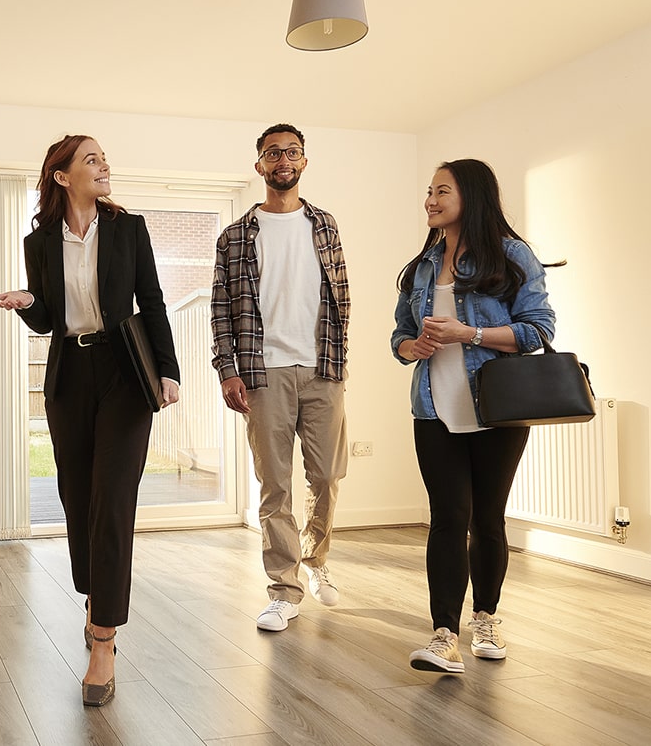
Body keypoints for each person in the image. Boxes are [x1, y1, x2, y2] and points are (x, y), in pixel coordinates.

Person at [0, 134, 180, 706]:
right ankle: (95, 599)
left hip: (126, 372)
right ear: (62, 176)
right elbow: (49, 319)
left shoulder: (129, 228)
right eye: (91, 159)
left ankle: (104, 640)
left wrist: (167, 370)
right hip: (71, 376)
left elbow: (153, 301)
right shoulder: (40, 241)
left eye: (103, 158)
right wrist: (29, 304)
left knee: (113, 499)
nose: (104, 166)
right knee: (77, 497)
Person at [392, 159, 557, 673]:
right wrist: (412, 345)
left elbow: (539, 329)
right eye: (429, 190)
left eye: (442, 191)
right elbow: (398, 337)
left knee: (487, 519)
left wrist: (471, 334)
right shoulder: (422, 266)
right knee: (448, 519)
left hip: (497, 408)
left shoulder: (511, 255)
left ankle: (485, 618)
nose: (431, 200)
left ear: (473, 196)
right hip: (433, 409)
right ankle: (444, 634)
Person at [210, 123, 351, 632]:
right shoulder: (235, 238)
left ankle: (315, 560)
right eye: (274, 153)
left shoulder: (325, 225)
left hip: (322, 370)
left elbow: (341, 298)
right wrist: (228, 370)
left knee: (328, 477)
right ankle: (284, 589)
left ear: (304, 162)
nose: (283, 160)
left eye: (293, 152)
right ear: (260, 166)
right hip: (262, 372)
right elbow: (221, 310)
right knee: (275, 486)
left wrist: (336, 361)